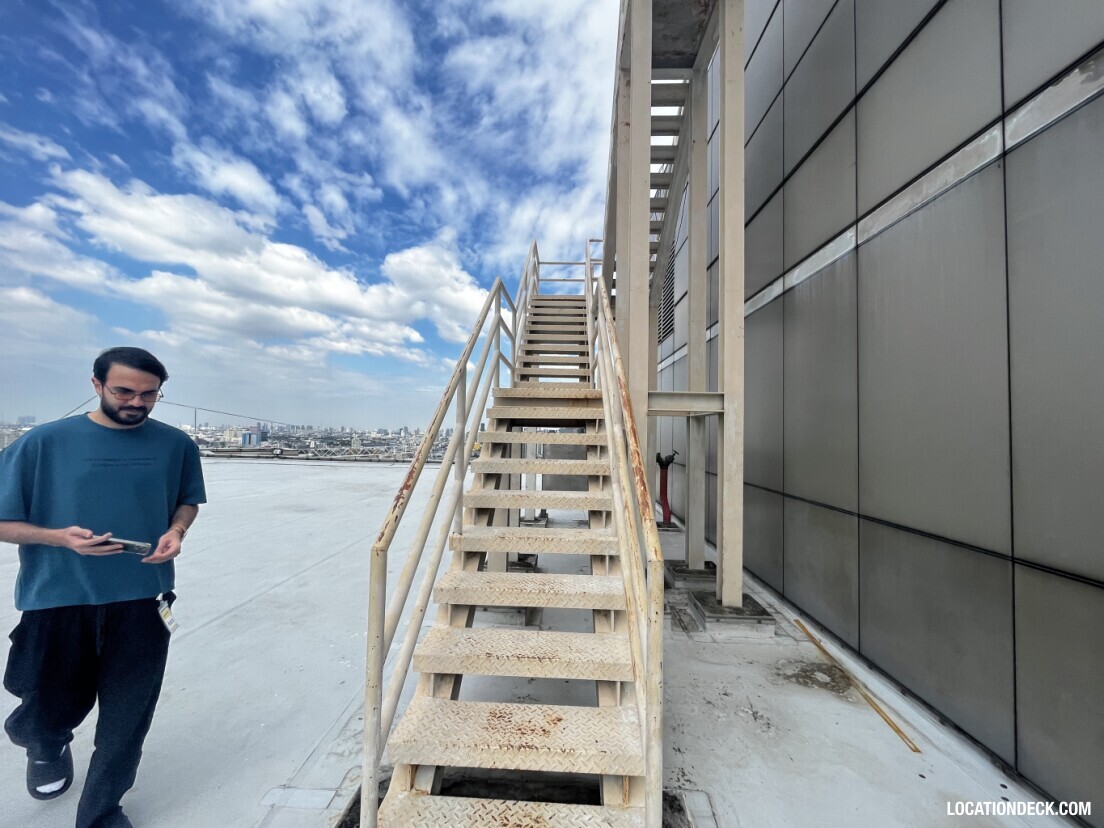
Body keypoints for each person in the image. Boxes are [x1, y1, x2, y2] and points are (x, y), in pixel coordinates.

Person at [0, 347, 206, 828]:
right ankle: (46, 742)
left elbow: (186, 502)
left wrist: (177, 532)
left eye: (149, 394)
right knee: (44, 701)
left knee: (127, 719)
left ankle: (101, 813)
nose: (137, 401)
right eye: (124, 391)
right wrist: (57, 538)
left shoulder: (176, 445)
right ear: (96, 385)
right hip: (58, 597)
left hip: (143, 598)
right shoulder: (43, 443)